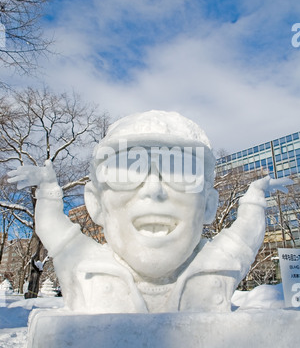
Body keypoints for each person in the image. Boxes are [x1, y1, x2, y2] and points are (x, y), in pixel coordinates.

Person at [8, 110, 292, 313]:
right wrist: (47, 191)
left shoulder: (217, 261)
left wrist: (254, 198)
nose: (154, 190)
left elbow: (244, 237)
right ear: (96, 204)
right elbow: (53, 229)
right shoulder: (85, 264)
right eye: (128, 170)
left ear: (208, 205)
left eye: (181, 172)